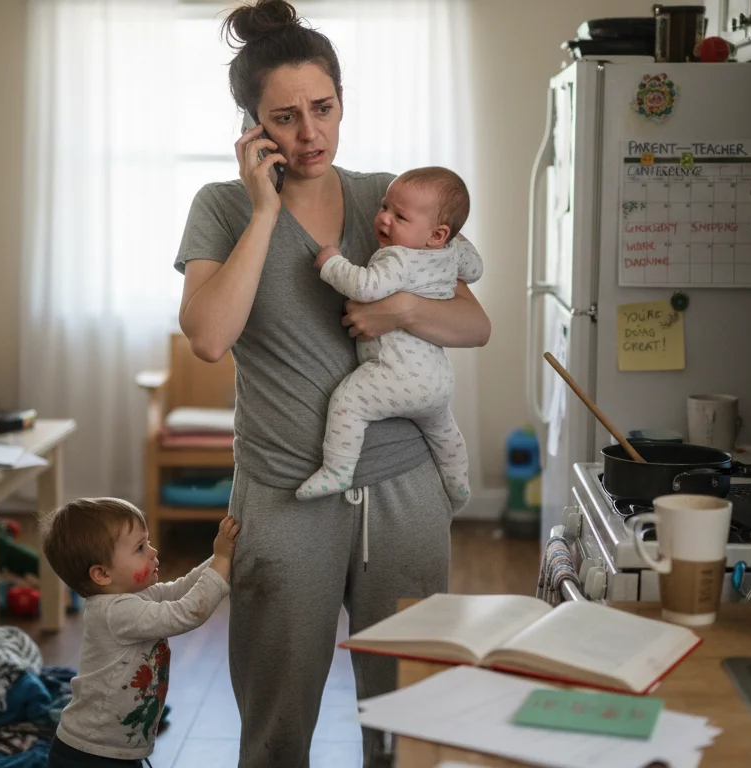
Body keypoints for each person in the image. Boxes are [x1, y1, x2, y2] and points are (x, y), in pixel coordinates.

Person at [174, 1, 491, 764]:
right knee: (276, 728)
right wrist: (263, 213)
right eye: (284, 118)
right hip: (285, 494)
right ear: (252, 128)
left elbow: (473, 323)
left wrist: (400, 309)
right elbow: (210, 337)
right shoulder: (221, 208)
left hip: (405, 492)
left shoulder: (389, 201)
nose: (309, 134)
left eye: (322, 108)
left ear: (343, 101)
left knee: (411, 723)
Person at [298, 166, 483, 512]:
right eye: (385, 207)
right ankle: (458, 486)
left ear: (436, 234)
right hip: (437, 381)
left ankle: (338, 470)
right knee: (445, 434)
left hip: (396, 376)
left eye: (400, 216)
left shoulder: (397, 257)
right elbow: (476, 269)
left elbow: (365, 287)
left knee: (348, 403)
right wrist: (452, 238)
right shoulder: (451, 252)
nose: (384, 219)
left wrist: (331, 263)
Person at [41, 498, 239, 768]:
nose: (152, 551)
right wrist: (222, 560)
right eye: (140, 548)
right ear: (102, 574)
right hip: (90, 756)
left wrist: (221, 558)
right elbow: (187, 612)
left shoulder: (134, 596)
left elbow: (180, 589)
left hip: (115, 750)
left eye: (147, 542)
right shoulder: (115, 612)